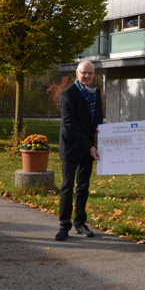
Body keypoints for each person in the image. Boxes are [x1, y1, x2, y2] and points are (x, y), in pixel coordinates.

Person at [56, 60, 103, 241]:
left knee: (83, 186)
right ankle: (63, 225)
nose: (87, 76)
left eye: (90, 73)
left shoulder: (96, 92)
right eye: (84, 73)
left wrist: (99, 128)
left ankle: (80, 223)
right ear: (77, 73)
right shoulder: (68, 94)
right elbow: (70, 124)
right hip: (71, 147)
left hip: (87, 147)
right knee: (68, 186)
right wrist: (90, 146)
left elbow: (97, 116)